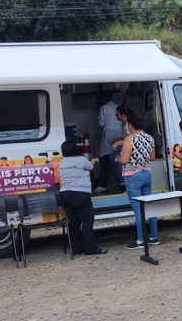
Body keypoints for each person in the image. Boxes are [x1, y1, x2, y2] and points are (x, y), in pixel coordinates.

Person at [116, 113, 159, 249]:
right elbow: (152, 157)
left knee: (138, 209)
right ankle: (154, 237)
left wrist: (117, 158)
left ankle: (141, 240)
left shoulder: (130, 138)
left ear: (131, 125)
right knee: (149, 206)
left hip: (133, 176)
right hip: (147, 174)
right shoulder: (150, 138)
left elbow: (124, 160)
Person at [58, 140, 106, 255]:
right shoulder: (81, 160)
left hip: (65, 195)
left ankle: (77, 249)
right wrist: (93, 161)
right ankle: (90, 249)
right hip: (80, 194)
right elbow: (90, 167)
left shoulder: (62, 163)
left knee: (73, 223)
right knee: (87, 221)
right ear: (76, 149)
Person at [97, 93, 122, 192]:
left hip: (107, 136)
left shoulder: (103, 107)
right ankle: (121, 183)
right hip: (120, 136)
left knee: (104, 159)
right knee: (119, 160)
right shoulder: (118, 106)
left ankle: (103, 185)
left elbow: (101, 123)